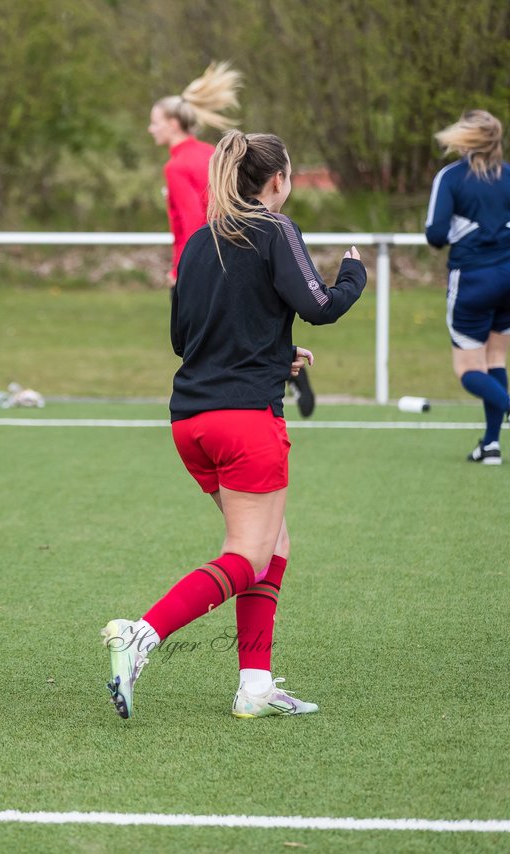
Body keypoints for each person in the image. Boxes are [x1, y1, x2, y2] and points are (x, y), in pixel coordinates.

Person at [102, 130, 367, 720]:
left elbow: (184, 339)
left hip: (191, 422)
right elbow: (320, 305)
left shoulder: (198, 241)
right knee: (248, 554)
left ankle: (255, 686)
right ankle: (140, 634)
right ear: (277, 180)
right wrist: (355, 276)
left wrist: (276, 354)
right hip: (245, 420)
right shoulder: (276, 229)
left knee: (273, 545)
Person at [148, 62, 317, 417]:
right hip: (246, 248)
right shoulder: (215, 152)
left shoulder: (176, 166)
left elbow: (196, 225)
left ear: (174, 123)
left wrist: (183, 269)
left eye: (156, 121)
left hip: (213, 256)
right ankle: (287, 370)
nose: (151, 128)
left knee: (206, 343)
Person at [425, 109, 510, 464]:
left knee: (468, 370)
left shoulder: (451, 177)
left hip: (472, 279)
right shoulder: (508, 176)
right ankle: (491, 444)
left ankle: (503, 417)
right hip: (508, 276)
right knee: (496, 358)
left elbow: (435, 234)